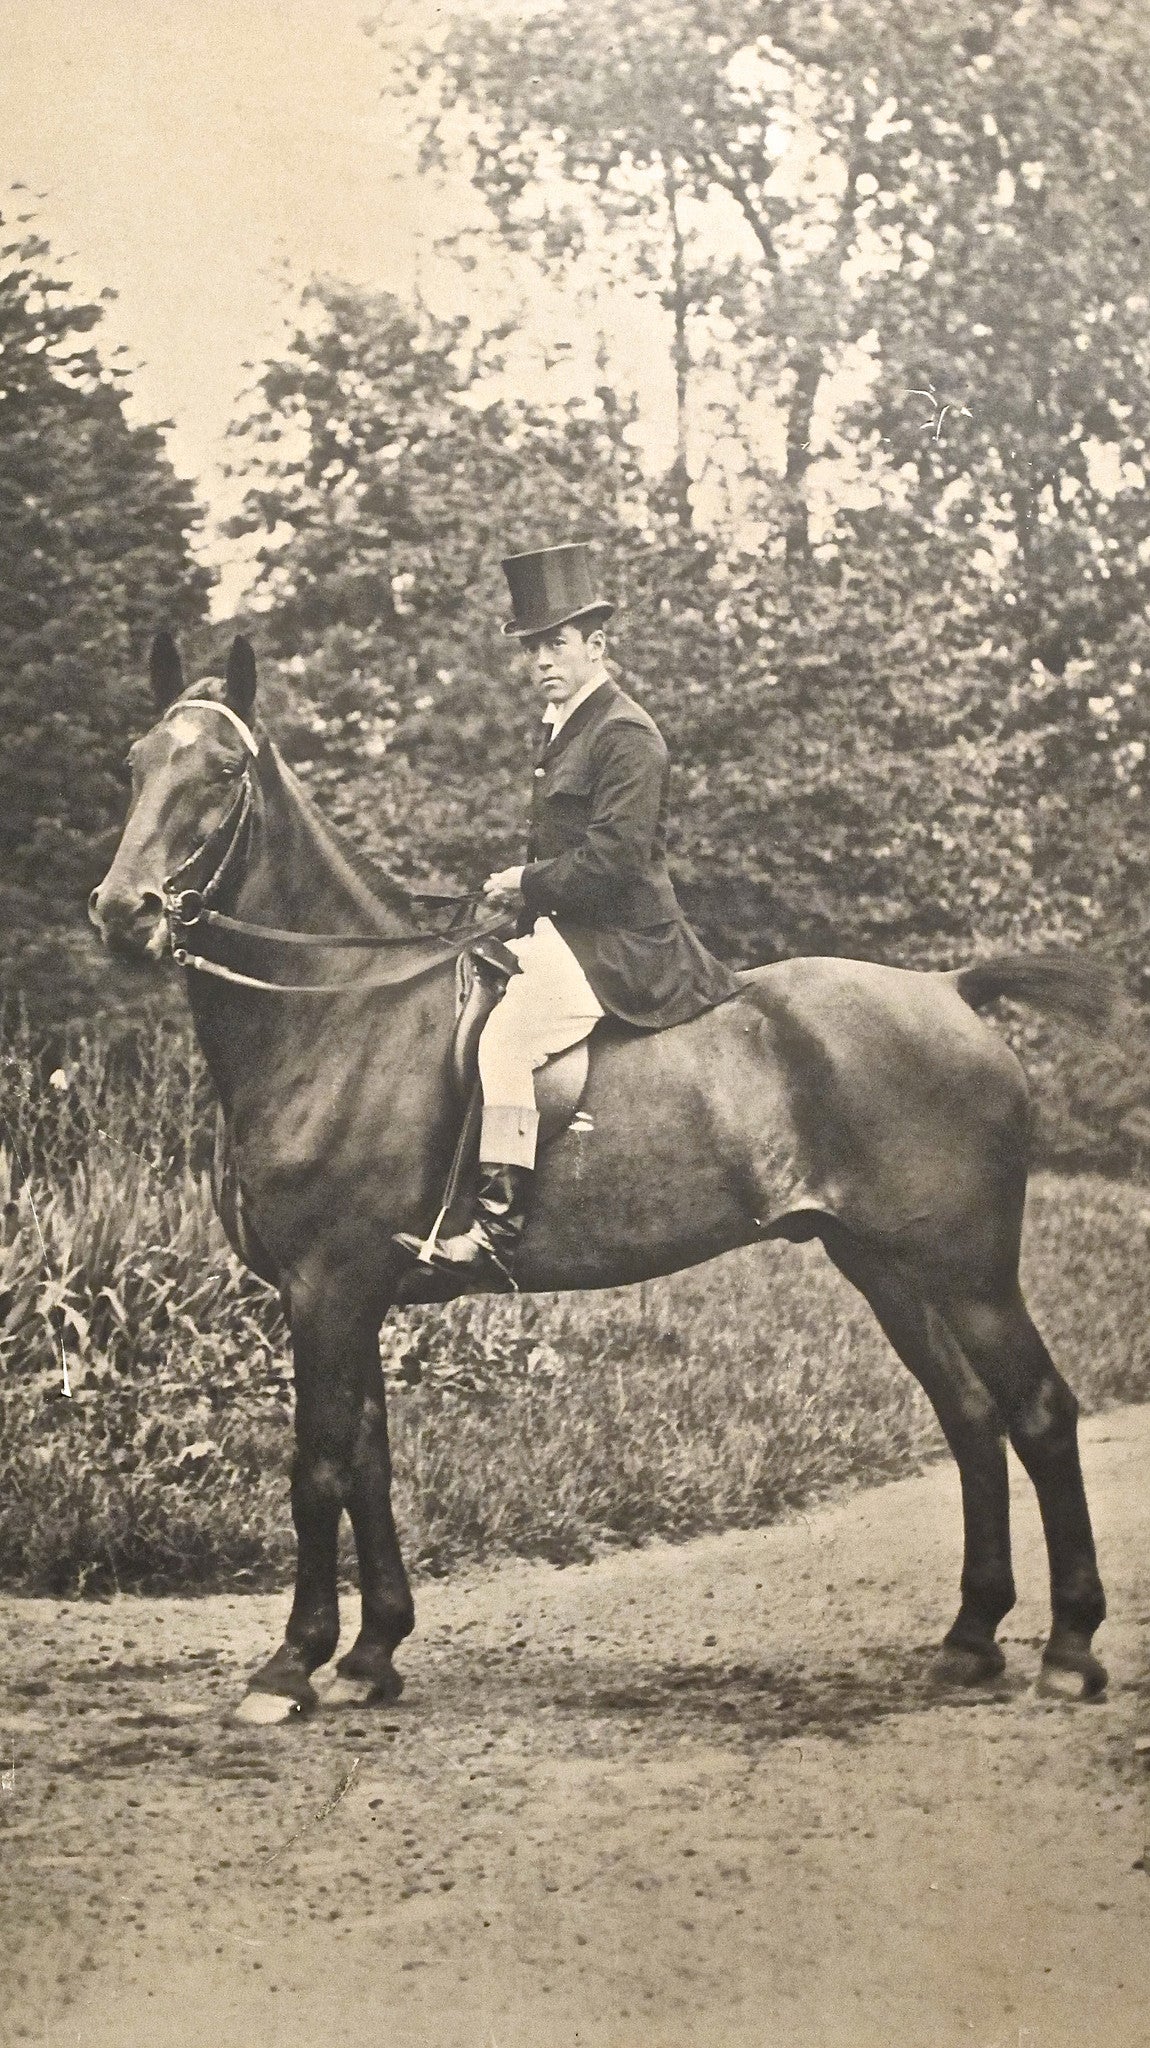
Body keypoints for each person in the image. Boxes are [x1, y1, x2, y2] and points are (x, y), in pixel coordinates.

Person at [394, 540, 741, 1289]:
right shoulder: (563, 724)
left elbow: (613, 862)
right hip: (569, 929)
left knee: (506, 1041)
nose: (542, 661)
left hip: (622, 942)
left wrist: (525, 880)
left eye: (556, 643)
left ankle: (495, 1228)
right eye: (532, 648)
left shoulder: (624, 734)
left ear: (596, 644)